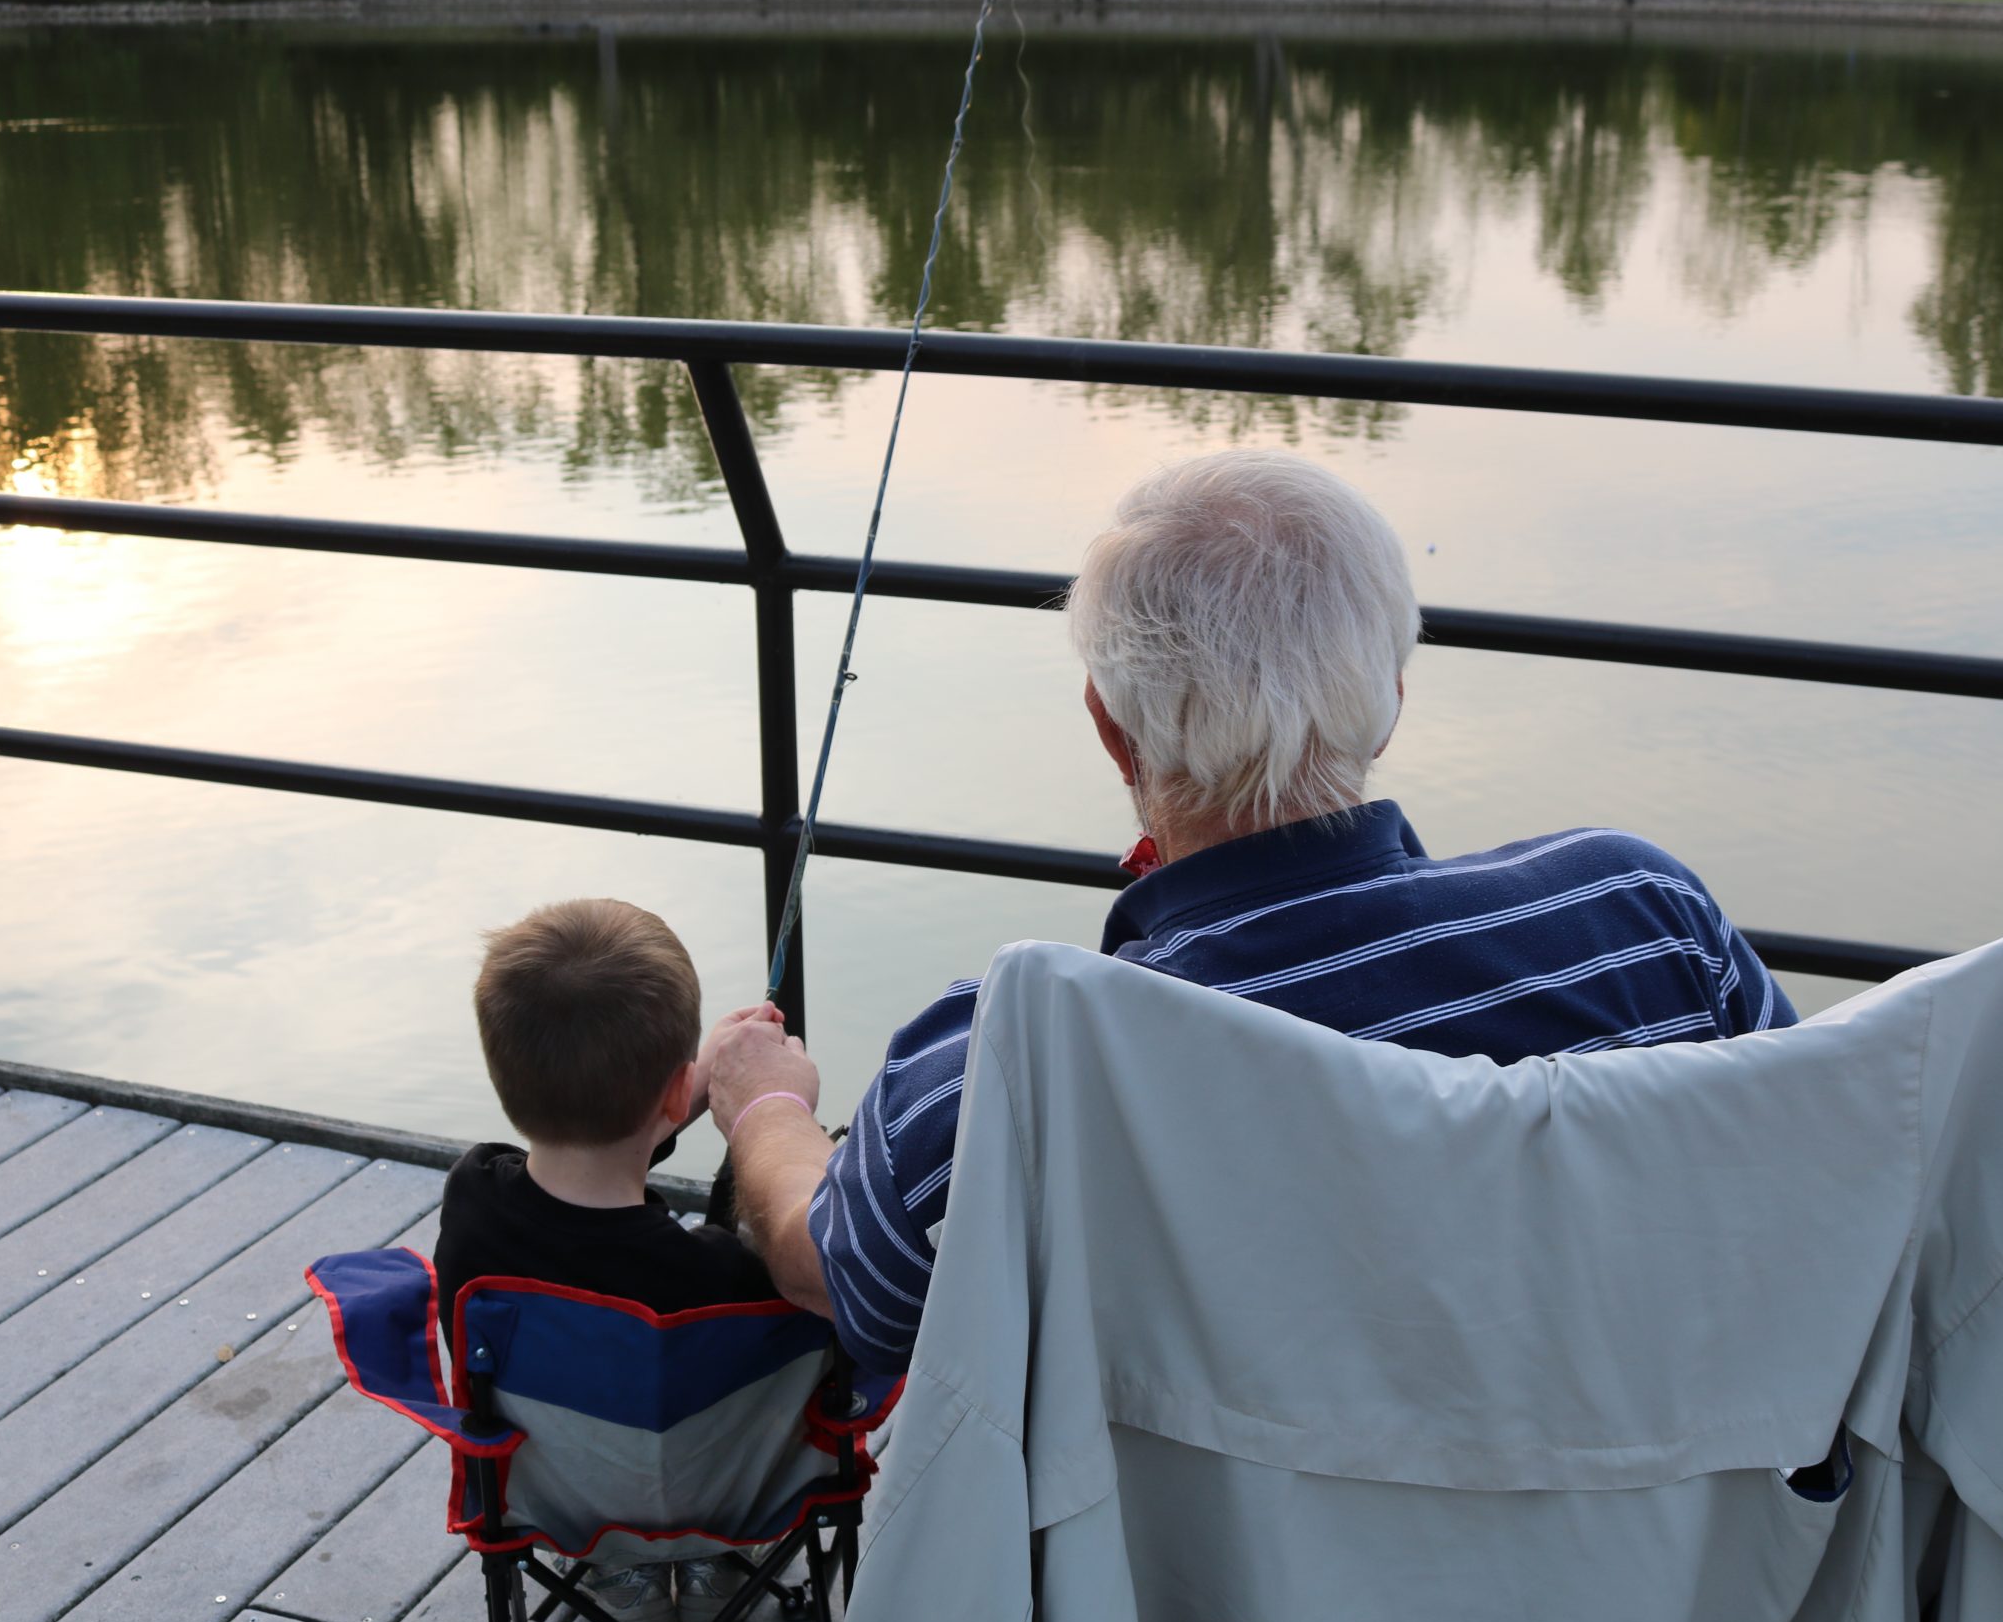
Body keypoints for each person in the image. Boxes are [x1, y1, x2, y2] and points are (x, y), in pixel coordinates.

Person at [701, 451, 1796, 1377]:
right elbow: (1820, 1179)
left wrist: (766, 1113)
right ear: (1389, 703)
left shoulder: (1007, 1059)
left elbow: (848, 1283)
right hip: (1661, 1596)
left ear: (1110, 729)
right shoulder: (1642, 921)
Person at [434, 898, 781, 1622]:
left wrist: (677, 1091)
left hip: (557, 1505)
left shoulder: (470, 1202)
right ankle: (712, 1563)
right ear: (672, 1091)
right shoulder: (716, 1277)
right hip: (721, 1503)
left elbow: (584, 1179)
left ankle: (622, 1573)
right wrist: (764, 1114)